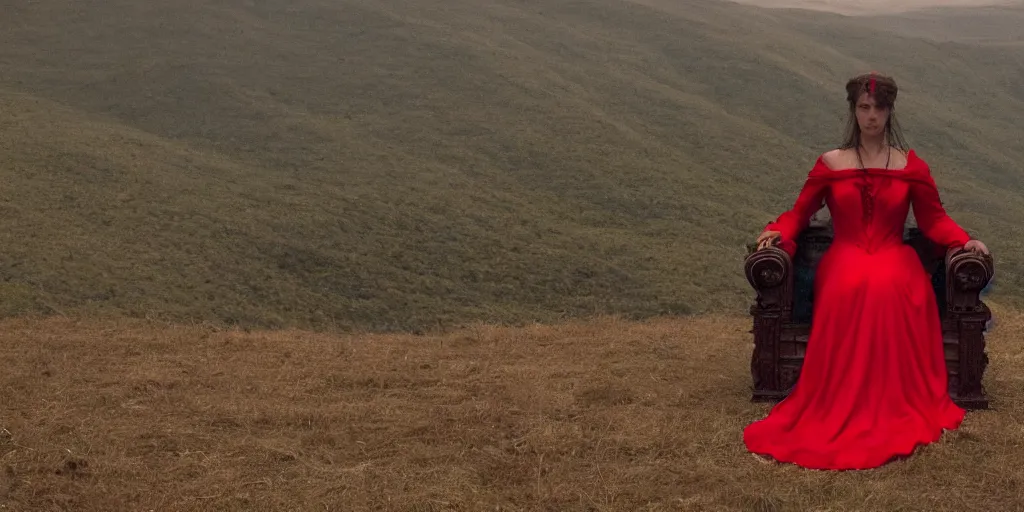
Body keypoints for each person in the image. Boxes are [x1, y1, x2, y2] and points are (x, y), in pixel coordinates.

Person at [744, 72, 990, 471]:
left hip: (894, 256)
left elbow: (933, 220)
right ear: (853, 111)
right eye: (863, 107)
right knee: (854, 284)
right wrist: (777, 232)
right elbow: (799, 213)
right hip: (845, 255)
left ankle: (888, 401)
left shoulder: (911, 166)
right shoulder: (829, 163)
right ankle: (844, 400)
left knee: (887, 284)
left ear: (889, 111)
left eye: (878, 107)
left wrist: (964, 241)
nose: (871, 115)